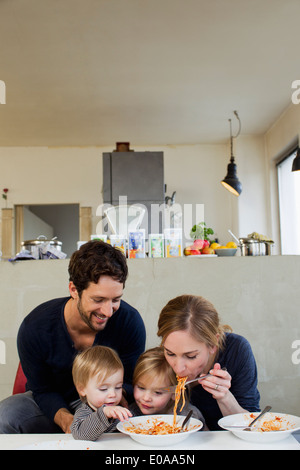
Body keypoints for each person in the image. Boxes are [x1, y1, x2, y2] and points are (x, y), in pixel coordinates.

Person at [0, 240, 146, 434]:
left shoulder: (129, 322)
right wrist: (69, 422)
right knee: (7, 414)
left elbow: (129, 381)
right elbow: (42, 390)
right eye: (98, 299)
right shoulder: (35, 328)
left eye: (116, 300)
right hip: (52, 405)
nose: (108, 311)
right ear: (74, 290)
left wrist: (106, 407)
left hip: (106, 404)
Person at [157, 295, 260, 430]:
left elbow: (252, 426)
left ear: (213, 344)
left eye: (191, 356)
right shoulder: (159, 361)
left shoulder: (237, 350)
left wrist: (224, 397)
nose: (178, 369)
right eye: (170, 353)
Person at [129, 347, 207, 429]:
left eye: (158, 392)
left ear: (175, 393)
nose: (146, 398)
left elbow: (205, 439)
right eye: (141, 388)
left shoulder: (189, 416)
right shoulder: (129, 415)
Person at [71, 346, 132, 441]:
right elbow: (80, 435)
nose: (113, 394)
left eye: (118, 387)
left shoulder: (121, 410)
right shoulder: (83, 413)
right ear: (82, 389)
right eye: (103, 389)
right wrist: (104, 413)